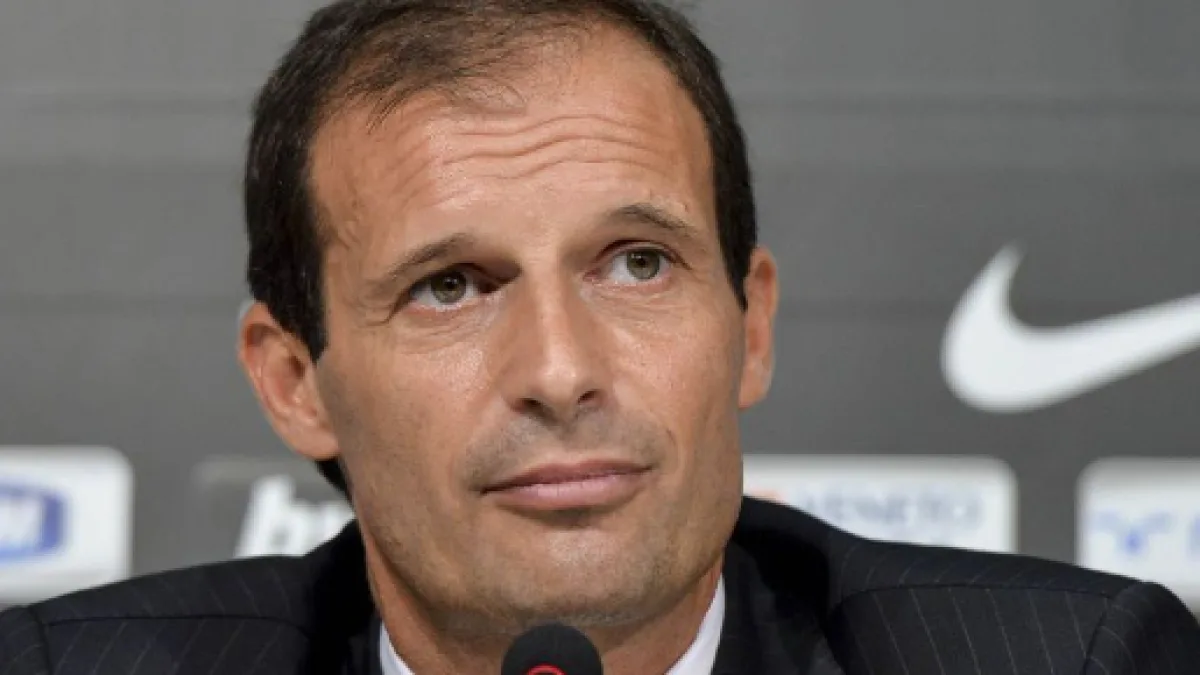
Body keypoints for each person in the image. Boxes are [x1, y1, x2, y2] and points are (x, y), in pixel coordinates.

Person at [2, 1, 1199, 673]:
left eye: (637, 264)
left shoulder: (1074, 663)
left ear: (751, 325)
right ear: (295, 381)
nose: (561, 371)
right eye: (451, 287)